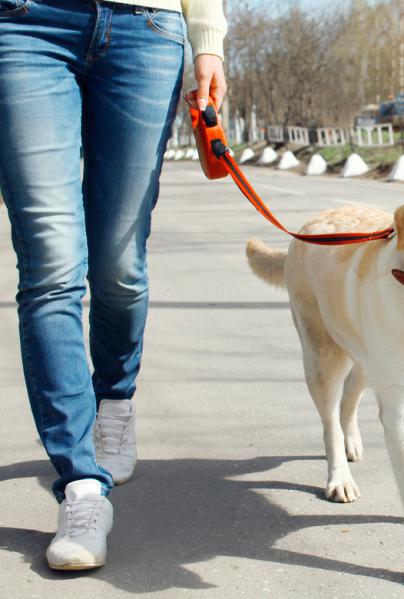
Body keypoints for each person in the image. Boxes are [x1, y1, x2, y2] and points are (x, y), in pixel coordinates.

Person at [0, 0, 227, 570]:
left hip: (145, 27)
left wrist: (208, 40)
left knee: (119, 265)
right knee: (52, 265)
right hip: (24, 23)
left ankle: (115, 401)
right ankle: (81, 488)